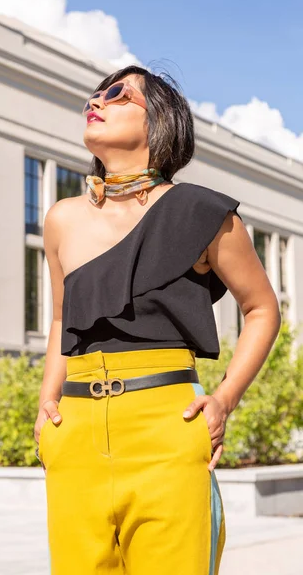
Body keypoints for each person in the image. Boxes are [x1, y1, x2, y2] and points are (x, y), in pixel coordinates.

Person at [33, 65, 281, 574]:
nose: (95, 102)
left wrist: (225, 399)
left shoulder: (203, 213)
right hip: (74, 432)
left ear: (160, 121)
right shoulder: (62, 219)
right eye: (94, 96)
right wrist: (46, 405)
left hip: (168, 425)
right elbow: (62, 321)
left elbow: (261, 308)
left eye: (117, 94)